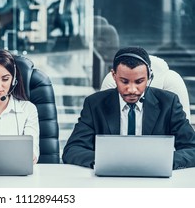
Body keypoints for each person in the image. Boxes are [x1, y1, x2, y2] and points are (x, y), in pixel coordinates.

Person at [62, 46, 195, 169]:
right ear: (114, 76)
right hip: (109, 181)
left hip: (154, 181)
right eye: (124, 81)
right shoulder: (95, 104)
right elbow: (72, 150)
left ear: (149, 77)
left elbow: (192, 149)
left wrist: (162, 161)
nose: (132, 89)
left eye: (139, 82)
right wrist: (105, 161)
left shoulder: (169, 103)